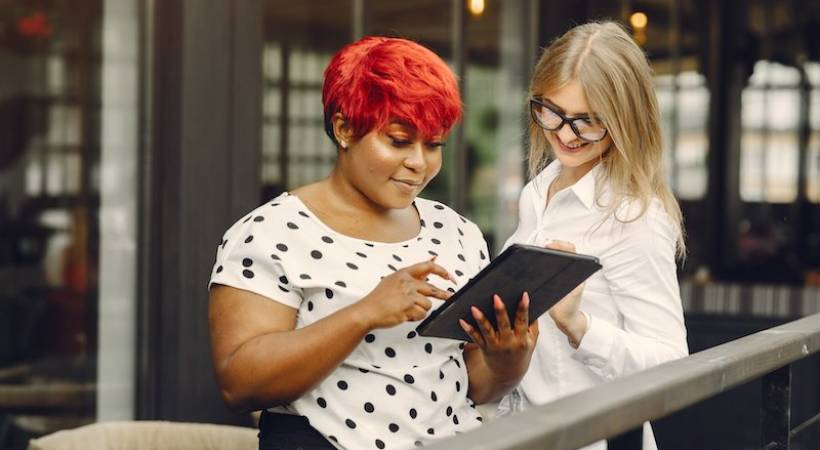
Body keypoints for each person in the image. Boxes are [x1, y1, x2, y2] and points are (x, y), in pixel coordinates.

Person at [208, 36, 538, 450]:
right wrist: (363, 313)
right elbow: (240, 383)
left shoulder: (457, 232)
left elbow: (469, 386)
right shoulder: (272, 231)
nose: (419, 163)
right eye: (399, 140)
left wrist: (506, 361)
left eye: (433, 144)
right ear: (345, 129)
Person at [496, 21, 689, 450]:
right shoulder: (539, 191)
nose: (565, 134)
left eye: (587, 121)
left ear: (625, 120)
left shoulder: (632, 215)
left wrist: (578, 325)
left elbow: (672, 367)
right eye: (551, 111)